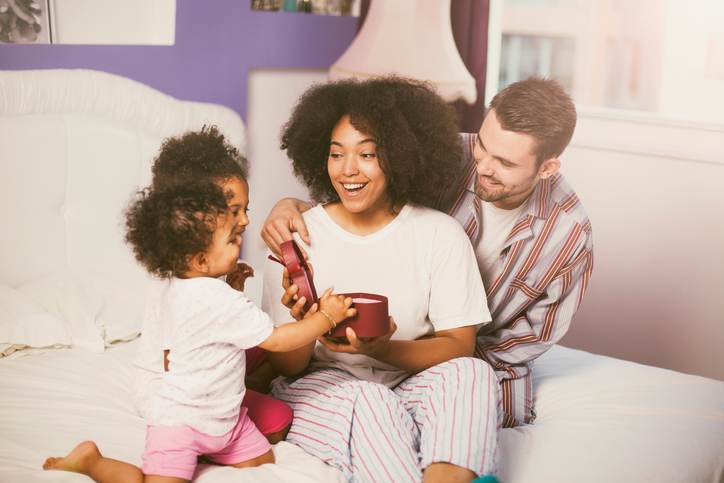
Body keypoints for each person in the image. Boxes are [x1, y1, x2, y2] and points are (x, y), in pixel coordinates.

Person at [262, 76, 594, 430]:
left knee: (476, 395)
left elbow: (523, 344)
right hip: (381, 351)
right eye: (482, 145)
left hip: (470, 359)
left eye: (505, 163)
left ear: (547, 168)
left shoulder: (568, 239)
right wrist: (291, 205)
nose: (481, 166)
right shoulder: (447, 154)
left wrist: (423, 348)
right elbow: (365, 203)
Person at [261, 76, 499, 483]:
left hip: (407, 382)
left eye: (367, 154)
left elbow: (461, 347)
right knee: (370, 402)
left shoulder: (438, 234)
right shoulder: (295, 237)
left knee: (473, 373)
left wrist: (383, 350)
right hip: (322, 388)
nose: (348, 170)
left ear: (400, 155)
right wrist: (308, 326)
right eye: (337, 155)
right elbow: (285, 364)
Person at [43, 181, 356, 482]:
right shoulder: (220, 301)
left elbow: (204, 328)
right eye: (232, 241)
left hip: (225, 420)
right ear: (202, 260)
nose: (240, 240)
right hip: (180, 423)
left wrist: (231, 284)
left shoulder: (178, 288)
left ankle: (205, 453)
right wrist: (326, 317)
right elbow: (276, 340)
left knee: (262, 461)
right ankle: (93, 462)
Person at [134, 126, 290, 444]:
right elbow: (175, 362)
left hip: (200, 365)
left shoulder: (198, 266)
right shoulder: (168, 286)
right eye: (234, 212)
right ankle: (250, 389)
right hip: (182, 396)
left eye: (246, 209)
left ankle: (255, 379)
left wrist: (231, 291)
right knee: (280, 418)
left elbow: (209, 322)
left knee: (264, 345)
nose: (245, 221)